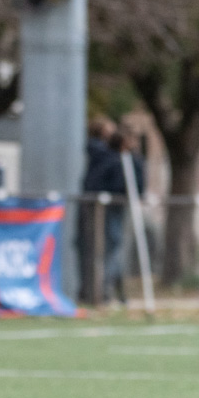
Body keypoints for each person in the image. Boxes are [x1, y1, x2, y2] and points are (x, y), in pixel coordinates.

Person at [81, 119, 146, 303]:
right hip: (108, 209)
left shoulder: (121, 159)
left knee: (115, 249)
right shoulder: (111, 160)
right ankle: (103, 290)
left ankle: (113, 290)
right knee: (110, 248)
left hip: (118, 208)